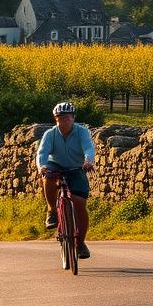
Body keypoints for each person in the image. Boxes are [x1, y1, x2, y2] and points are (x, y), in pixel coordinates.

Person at [36, 100, 95, 259]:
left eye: (68, 118)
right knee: (48, 177)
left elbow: (88, 147)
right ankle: (51, 210)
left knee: (80, 204)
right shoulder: (50, 134)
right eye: (60, 118)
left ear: (73, 118)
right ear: (55, 119)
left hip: (77, 168)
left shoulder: (82, 132)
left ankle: (80, 243)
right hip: (55, 165)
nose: (64, 121)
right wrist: (42, 166)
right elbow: (42, 153)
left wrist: (88, 161)